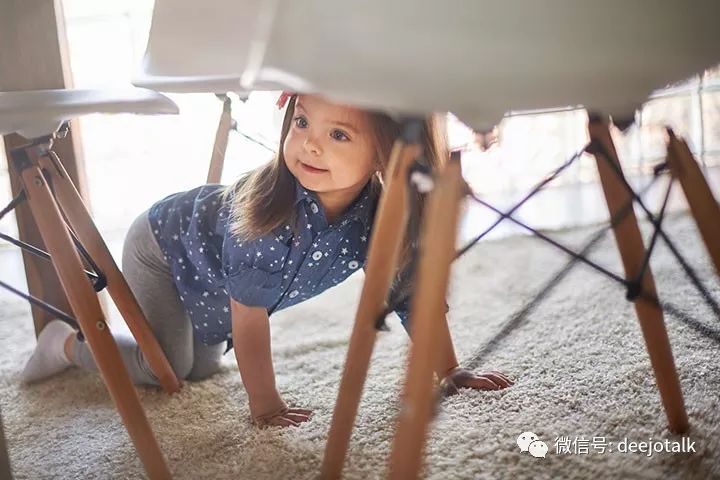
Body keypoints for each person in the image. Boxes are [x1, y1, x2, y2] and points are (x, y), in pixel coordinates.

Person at [21, 93, 513, 427]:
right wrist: (265, 403)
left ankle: (147, 344)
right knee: (168, 368)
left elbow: (411, 298)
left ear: (385, 157)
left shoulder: (379, 216)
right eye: (301, 122)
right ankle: (65, 344)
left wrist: (449, 371)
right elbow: (250, 319)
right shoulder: (271, 220)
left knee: (199, 371)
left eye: (338, 135)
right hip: (162, 249)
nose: (310, 143)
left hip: (212, 270)